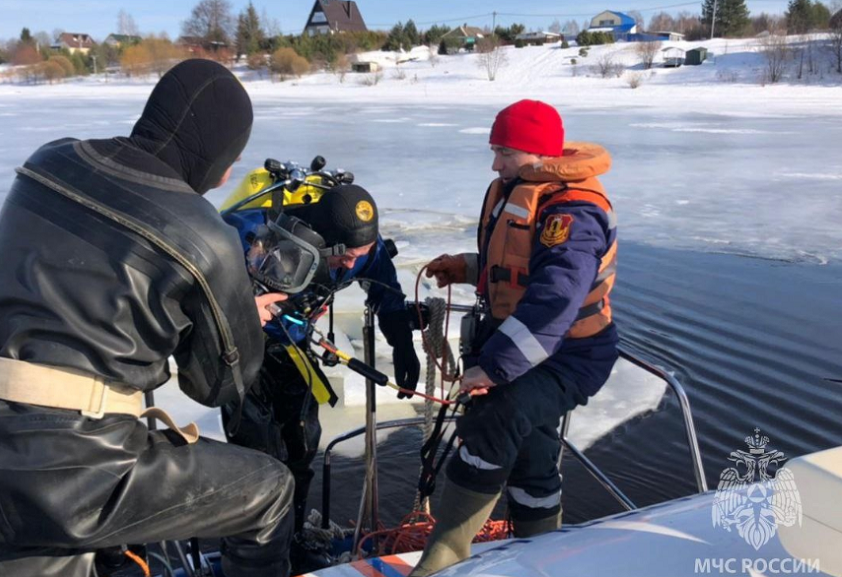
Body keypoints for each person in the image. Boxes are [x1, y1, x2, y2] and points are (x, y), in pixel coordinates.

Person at [0, 60, 295, 577]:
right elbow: (218, 386)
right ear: (218, 151)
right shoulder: (203, 235)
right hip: (75, 472)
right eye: (231, 160)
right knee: (269, 491)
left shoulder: (49, 161)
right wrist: (237, 319)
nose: (227, 177)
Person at [411, 100, 619, 575]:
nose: (495, 164)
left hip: (571, 355)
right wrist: (468, 267)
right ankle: (542, 549)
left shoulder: (573, 212)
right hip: (527, 344)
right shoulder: (521, 187)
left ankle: (442, 559)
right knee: (532, 445)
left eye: (504, 152)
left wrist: (494, 367)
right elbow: (521, 267)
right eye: (494, 151)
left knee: (495, 419)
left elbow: (556, 298)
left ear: (537, 152)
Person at [221, 184, 421, 570]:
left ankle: (290, 539)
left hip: (292, 349)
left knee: (301, 444)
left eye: (359, 256)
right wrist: (238, 305)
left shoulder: (364, 251)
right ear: (320, 240)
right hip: (240, 349)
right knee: (256, 457)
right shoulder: (248, 232)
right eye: (344, 256)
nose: (350, 265)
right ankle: (248, 557)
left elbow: (386, 292)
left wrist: (402, 343)